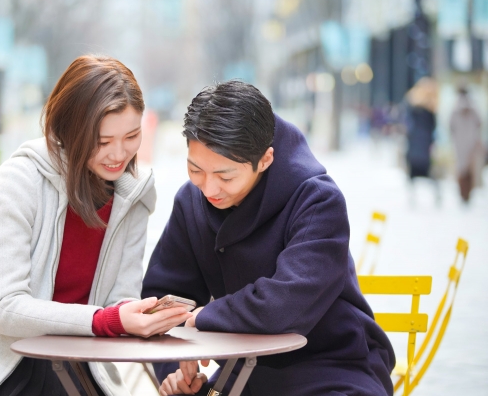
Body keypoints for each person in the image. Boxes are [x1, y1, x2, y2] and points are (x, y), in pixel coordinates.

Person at [0, 55, 192, 396]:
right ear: (70, 131)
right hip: (10, 369)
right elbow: (6, 309)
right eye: (102, 142)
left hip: (85, 368)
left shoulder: (134, 194)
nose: (119, 154)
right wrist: (108, 320)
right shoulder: (20, 180)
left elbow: (120, 299)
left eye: (131, 136)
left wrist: (139, 316)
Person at [142, 80, 395, 396]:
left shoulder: (317, 200)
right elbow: (162, 297)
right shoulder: (191, 200)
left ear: (265, 159)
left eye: (226, 176)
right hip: (244, 370)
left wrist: (205, 316)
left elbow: (288, 302)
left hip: (333, 364)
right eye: (195, 170)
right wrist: (175, 368)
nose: (208, 189)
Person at [450, 87, 484, 203]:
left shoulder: (455, 109)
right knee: (470, 170)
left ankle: (463, 194)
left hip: (460, 143)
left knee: (461, 169)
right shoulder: (473, 108)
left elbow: (451, 126)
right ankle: (467, 193)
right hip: (471, 143)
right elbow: (480, 123)